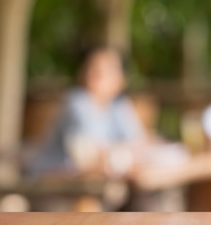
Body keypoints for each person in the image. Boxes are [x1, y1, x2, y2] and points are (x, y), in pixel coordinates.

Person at [26, 45, 145, 177]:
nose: (98, 74)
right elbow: (87, 155)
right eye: (93, 68)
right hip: (50, 179)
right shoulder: (76, 102)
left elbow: (138, 143)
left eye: (107, 70)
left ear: (121, 79)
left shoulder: (117, 106)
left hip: (85, 181)